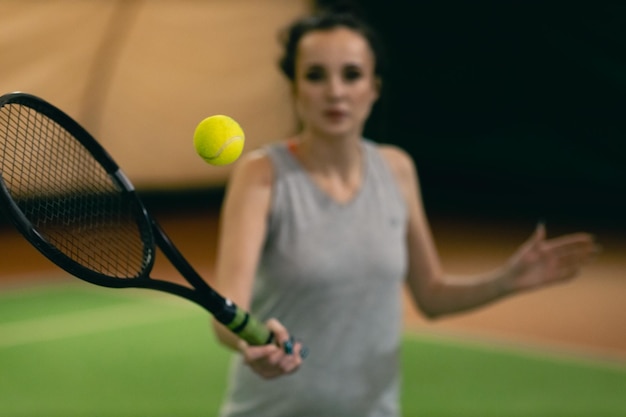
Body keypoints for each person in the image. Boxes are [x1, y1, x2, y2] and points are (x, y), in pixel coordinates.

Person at [210, 10, 598, 417]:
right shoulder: (262, 175)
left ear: (374, 88)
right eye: (316, 75)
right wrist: (248, 342)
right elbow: (226, 315)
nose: (336, 91)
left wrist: (507, 280)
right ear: (294, 88)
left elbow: (431, 295)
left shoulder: (397, 169)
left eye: (352, 74)